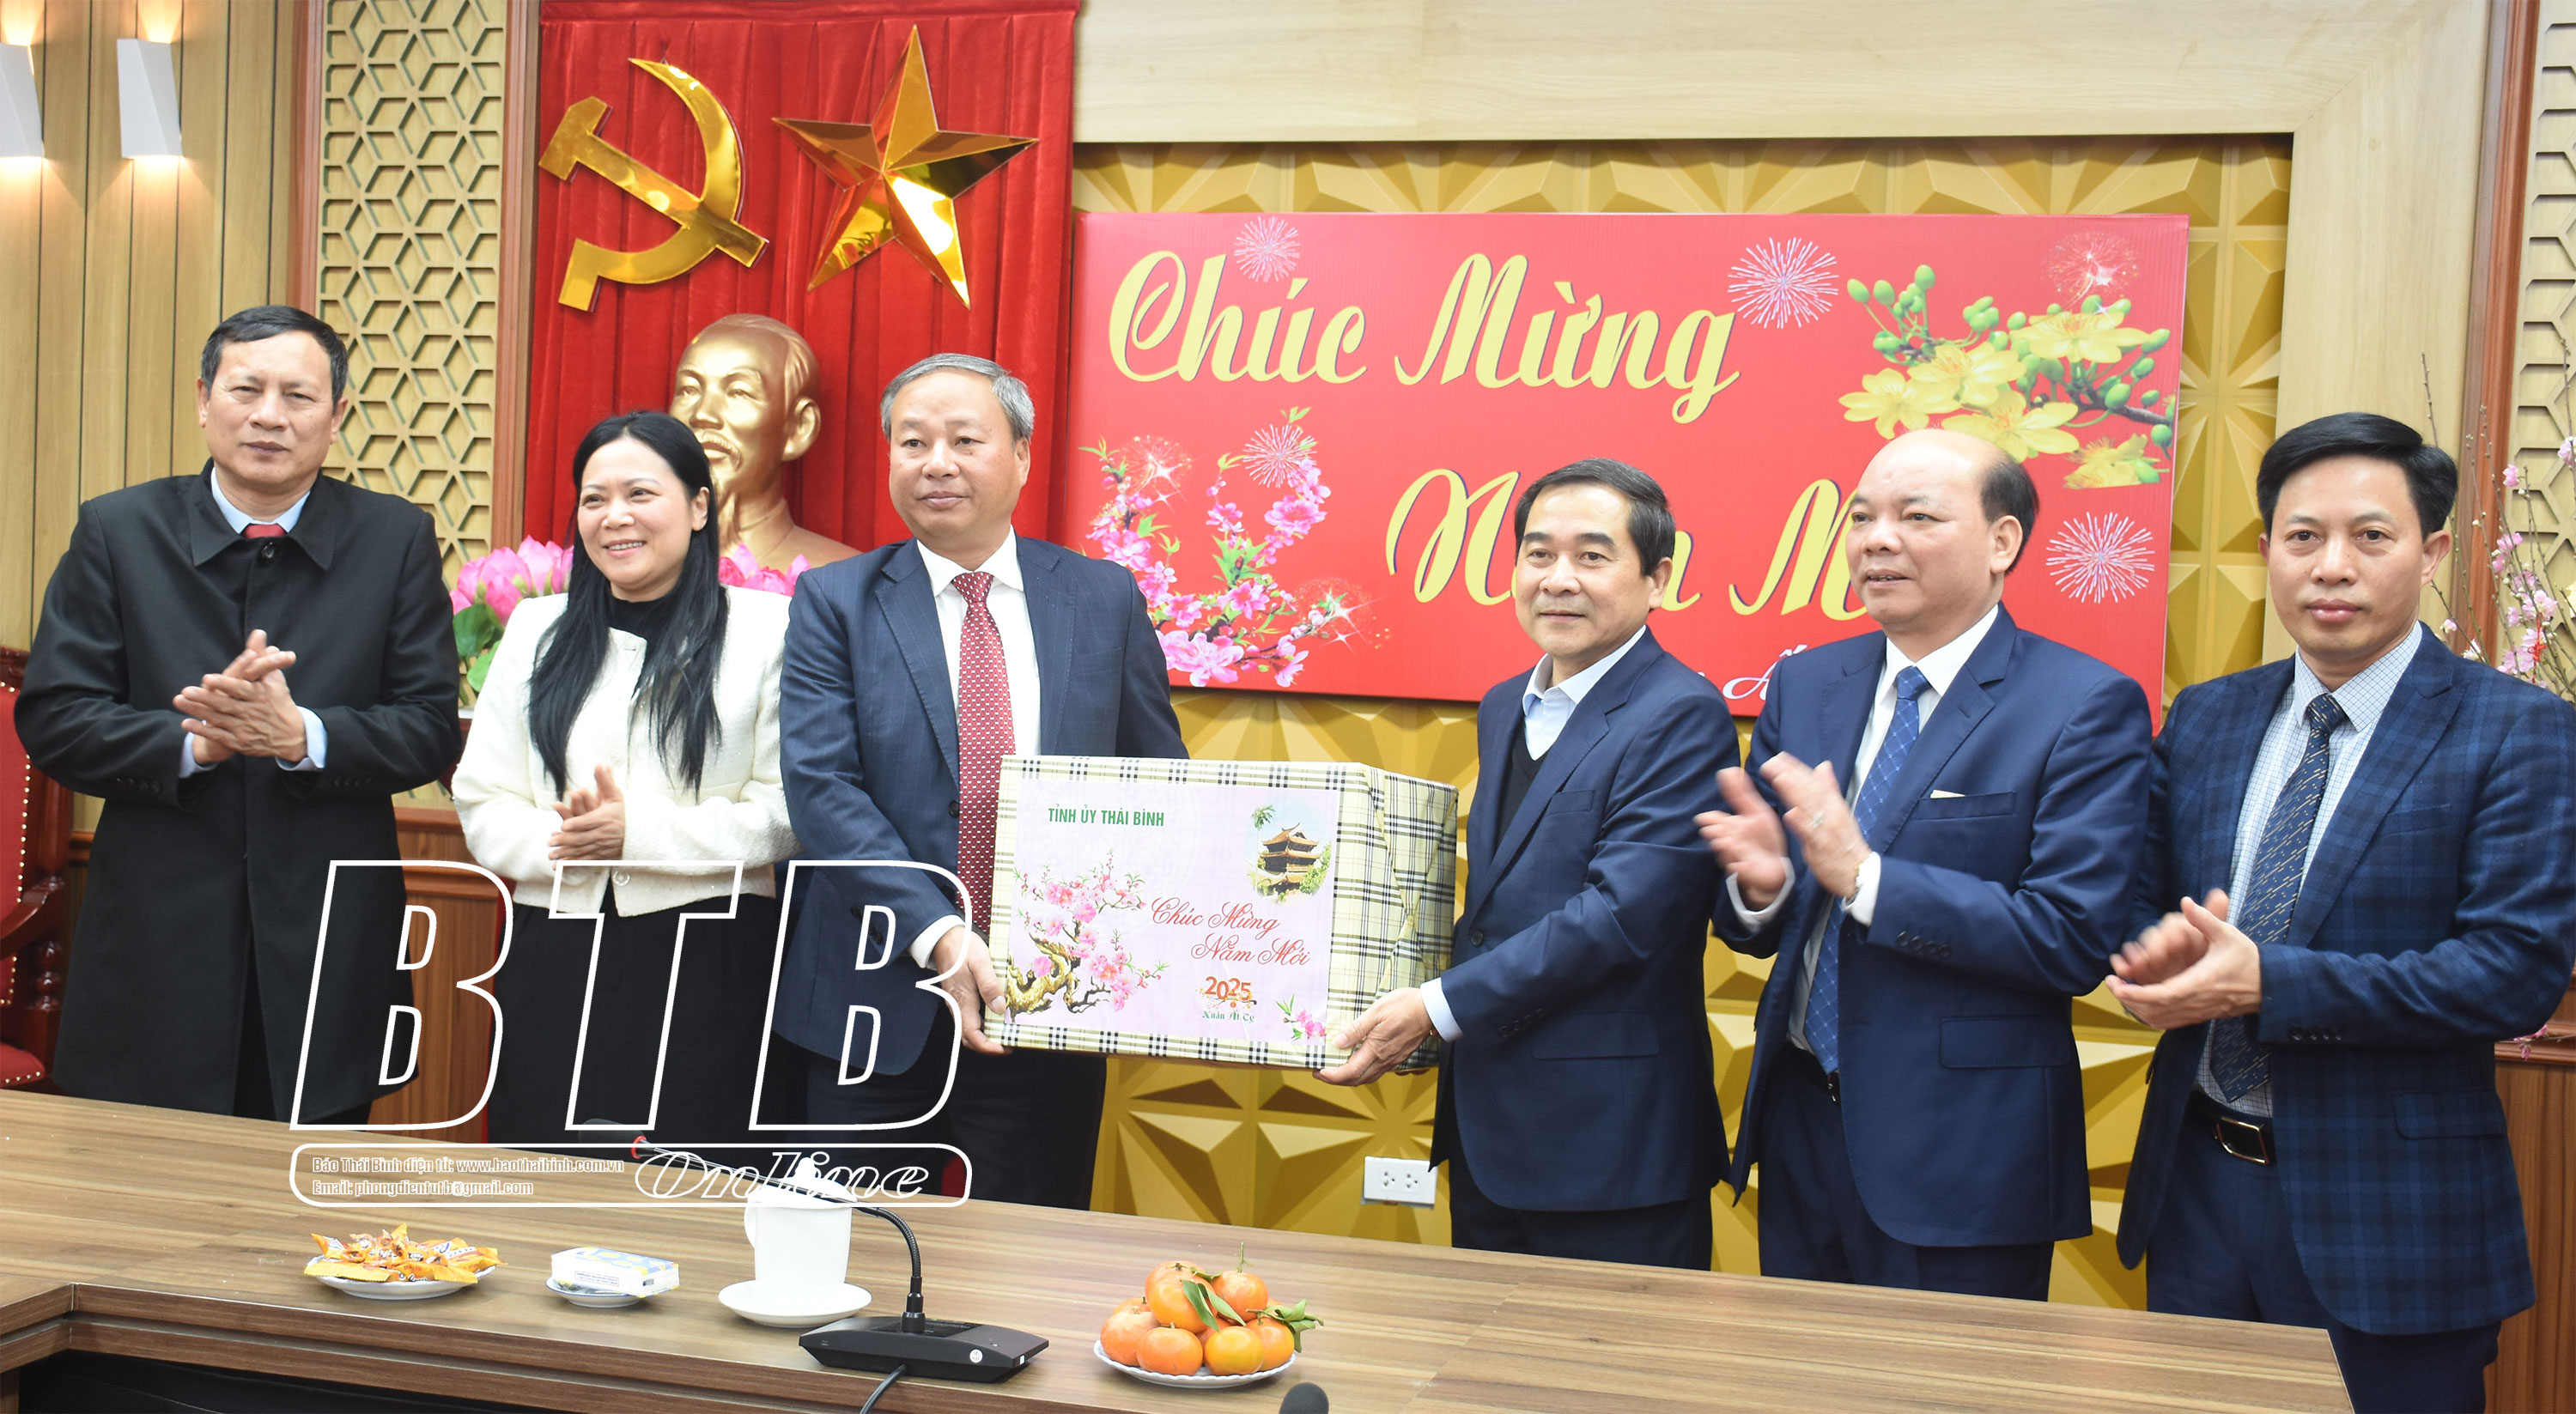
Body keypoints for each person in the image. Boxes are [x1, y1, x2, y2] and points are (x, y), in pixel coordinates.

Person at [2107, 413, 2576, 1413]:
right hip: (2198, 1192)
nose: (2332, 566)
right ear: (2268, 549)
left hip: (2391, 1220)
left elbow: (2513, 972)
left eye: (2371, 536)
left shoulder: (2519, 731)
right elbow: (2143, 900)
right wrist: (2151, 957)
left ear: (2432, 552)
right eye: (2303, 536)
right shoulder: (2209, 715)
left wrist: (2269, 982)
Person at [1698, 428, 2151, 1298]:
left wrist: (1868, 880)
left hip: (1964, 1156)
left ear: (2003, 540)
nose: (1878, 540)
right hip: (1801, 1125)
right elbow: (1760, 921)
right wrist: (1762, 888)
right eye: (1862, 517)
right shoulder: (1807, 685)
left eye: (1916, 517)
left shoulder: (2084, 704)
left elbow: (2070, 937)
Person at [16, 304, 460, 1123]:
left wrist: (303, 737)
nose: (269, 415)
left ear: (337, 416)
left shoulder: (395, 539)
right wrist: (195, 741)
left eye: (298, 395)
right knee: (142, 1177)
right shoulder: (118, 531)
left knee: (307, 1180)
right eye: (246, 389)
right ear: (203, 399)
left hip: (327, 937)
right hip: (155, 939)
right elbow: (56, 717)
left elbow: (430, 726)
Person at [775, 353, 1186, 1208]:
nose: (937, 463)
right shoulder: (835, 602)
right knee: (854, 1255)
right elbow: (822, 787)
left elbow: (1157, 784)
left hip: (1049, 1002)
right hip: (871, 1000)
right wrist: (940, 934)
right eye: (913, 442)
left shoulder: (1103, 599)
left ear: (1022, 455)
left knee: (1028, 1254)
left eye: (965, 440)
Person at [1321, 459, 1732, 1270]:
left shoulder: (1682, 713)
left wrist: (1434, 1005)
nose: (1558, 579)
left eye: (1592, 556)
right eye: (1539, 554)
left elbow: (1619, 917)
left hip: (1612, 1146)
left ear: (1658, 578)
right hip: (1489, 1125)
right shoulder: (1507, 702)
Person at [452, 410, 798, 1153]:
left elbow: (783, 811)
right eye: (594, 498)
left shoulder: (768, 629)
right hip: (556, 951)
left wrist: (635, 834)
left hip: (709, 954)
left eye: (641, 493)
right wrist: (572, 841)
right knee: (547, 1168)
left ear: (698, 506)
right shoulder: (536, 629)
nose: (615, 516)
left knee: (697, 1178)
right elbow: (482, 797)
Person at [671, 313, 857, 572]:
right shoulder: (633, 565)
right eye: (689, 390)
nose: (702, 415)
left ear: (799, 428)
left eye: (739, 392)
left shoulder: (841, 578)